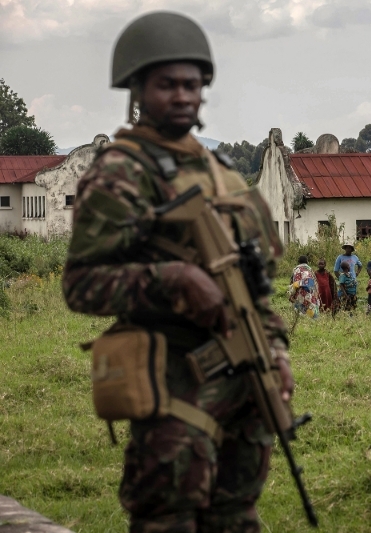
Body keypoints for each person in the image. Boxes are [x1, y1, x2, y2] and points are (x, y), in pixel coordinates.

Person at [60, 12, 295, 532]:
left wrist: (274, 353)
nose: (184, 95)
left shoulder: (224, 174)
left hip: (243, 378)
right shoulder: (120, 172)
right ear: (138, 90)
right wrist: (172, 279)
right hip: (171, 384)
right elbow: (81, 284)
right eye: (168, 84)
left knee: (236, 517)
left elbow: (258, 285)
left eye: (193, 84)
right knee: (167, 520)